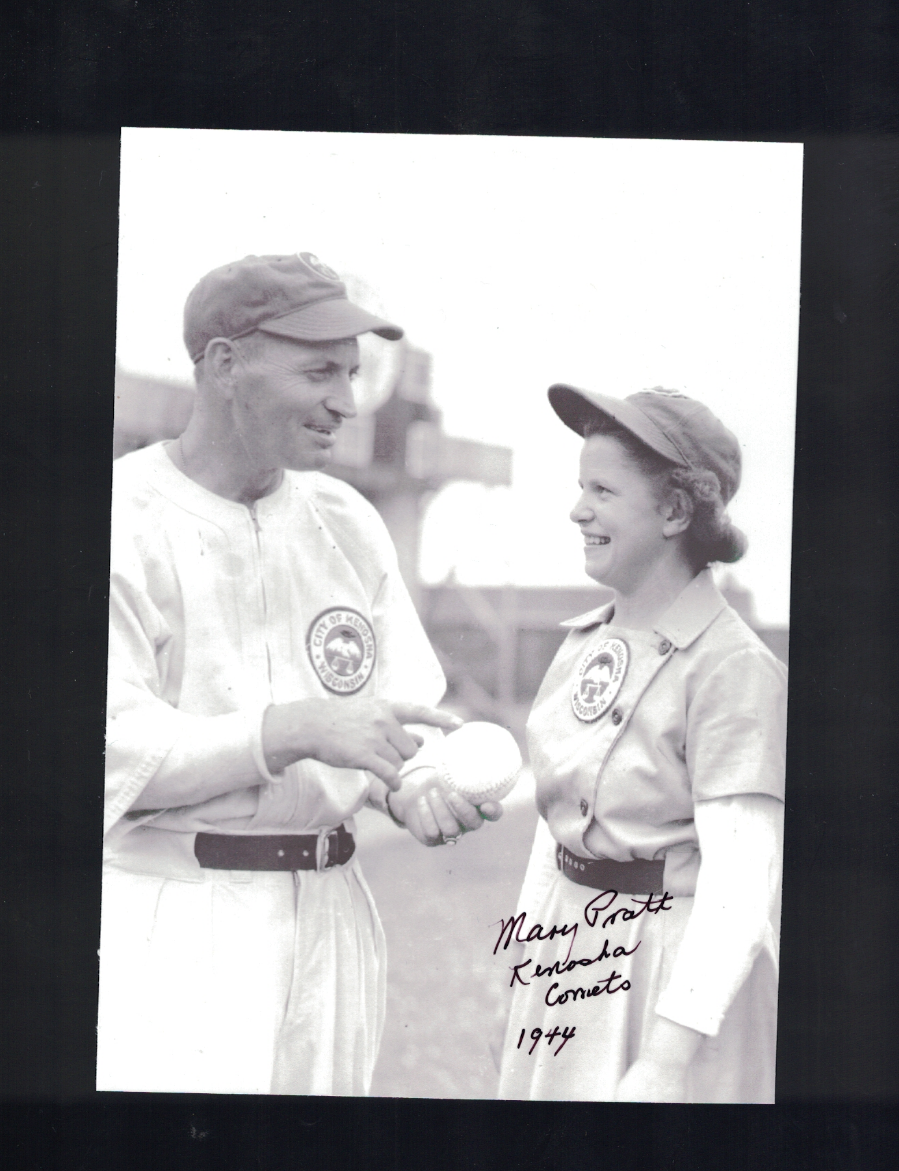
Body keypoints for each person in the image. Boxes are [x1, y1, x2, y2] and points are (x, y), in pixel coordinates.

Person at [97, 252, 498, 1096]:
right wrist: (292, 728)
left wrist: (413, 786)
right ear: (224, 364)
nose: (345, 404)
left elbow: (399, 720)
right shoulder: (119, 517)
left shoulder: (345, 521)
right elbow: (105, 751)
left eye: (352, 374)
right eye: (320, 370)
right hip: (178, 910)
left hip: (330, 908)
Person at [496, 384, 786, 1103]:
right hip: (568, 954)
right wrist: (527, 976)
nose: (577, 509)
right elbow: (552, 832)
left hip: (670, 981)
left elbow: (740, 888)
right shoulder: (582, 644)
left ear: (675, 510)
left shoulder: (733, 666)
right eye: (578, 486)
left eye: (602, 489)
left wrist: (662, 1061)